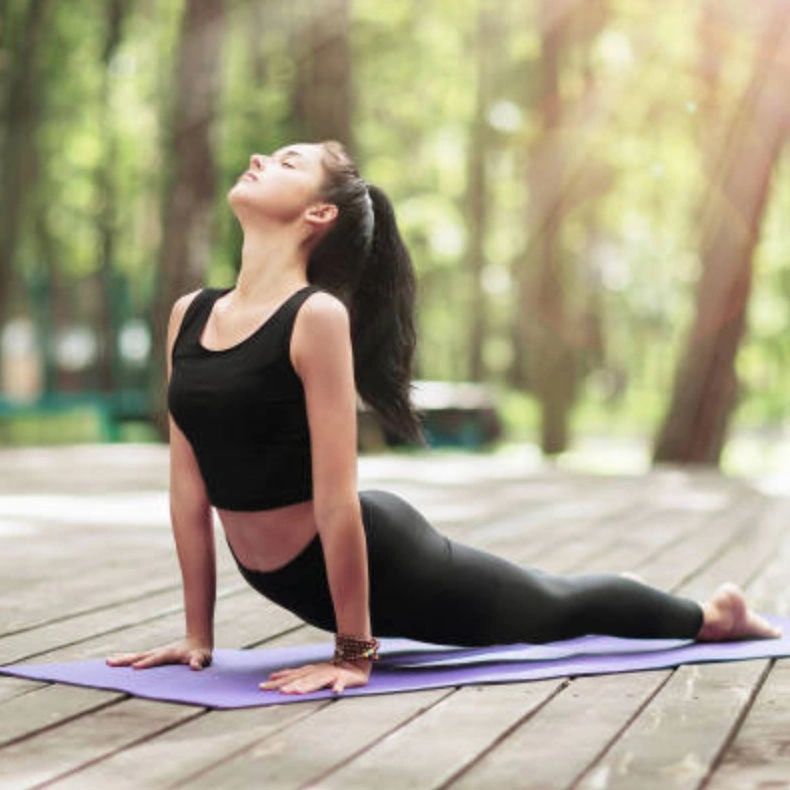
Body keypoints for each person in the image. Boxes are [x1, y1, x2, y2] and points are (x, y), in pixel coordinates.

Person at [106, 140, 782, 697]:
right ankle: (699, 611)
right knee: (548, 602)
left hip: (385, 558)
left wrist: (354, 653)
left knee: (552, 607)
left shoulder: (314, 318)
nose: (259, 157)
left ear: (316, 214)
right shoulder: (189, 314)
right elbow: (188, 492)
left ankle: (713, 616)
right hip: (281, 577)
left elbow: (336, 503)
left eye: (288, 161)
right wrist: (199, 638)